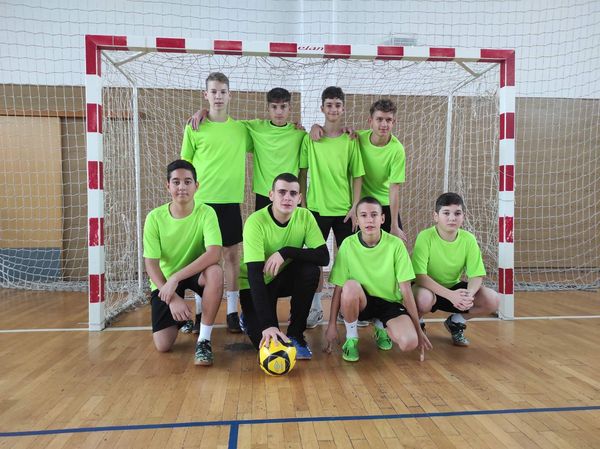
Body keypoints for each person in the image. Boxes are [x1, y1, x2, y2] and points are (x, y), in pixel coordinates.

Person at [180, 72, 253, 334]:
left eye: (223, 91)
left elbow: (270, 132)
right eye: (213, 91)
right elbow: (185, 166)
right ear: (206, 95)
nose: (218, 96)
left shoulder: (242, 129)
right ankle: (201, 312)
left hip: (230, 203)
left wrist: (298, 127)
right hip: (202, 204)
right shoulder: (194, 127)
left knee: (232, 257)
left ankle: (232, 311)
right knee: (204, 260)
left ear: (230, 95)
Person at [324, 197, 431, 362]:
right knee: (349, 286)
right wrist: (331, 325)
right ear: (357, 220)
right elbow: (338, 288)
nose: (369, 220)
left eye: (374, 215)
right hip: (363, 303)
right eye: (364, 215)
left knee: (409, 342)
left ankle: (381, 327)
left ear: (382, 218)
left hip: (389, 303)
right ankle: (351, 338)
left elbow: (406, 291)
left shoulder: (396, 245)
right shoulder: (348, 244)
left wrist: (418, 329)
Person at [238, 173, 329, 359]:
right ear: (271, 195)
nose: (287, 197)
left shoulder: (304, 216)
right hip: (256, 284)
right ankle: (249, 315)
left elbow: (323, 257)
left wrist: (286, 252)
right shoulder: (255, 222)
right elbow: (255, 276)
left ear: (299, 198)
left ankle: (296, 334)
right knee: (270, 346)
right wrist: (268, 324)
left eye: (293, 193)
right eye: (282, 192)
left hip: (282, 277)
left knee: (310, 270)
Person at [143, 159, 223, 366]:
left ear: (196, 186)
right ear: (167, 185)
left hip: (195, 274)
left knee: (215, 272)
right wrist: (171, 298)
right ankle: (184, 317)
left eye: (188, 182)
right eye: (176, 182)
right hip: (166, 280)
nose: (182, 187)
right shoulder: (154, 218)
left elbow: (214, 254)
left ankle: (203, 340)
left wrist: (176, 278)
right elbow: (151, 264)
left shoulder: (207, 213)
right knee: (163, 345)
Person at [299, 86, 365, 328]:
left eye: (338, 105)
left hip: (345, 211)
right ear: (322, 108)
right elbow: (302, 171)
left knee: (348, 260)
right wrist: (303, 203)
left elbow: (357, 175)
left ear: (343, 108)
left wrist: (355, 206)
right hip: (317, 209)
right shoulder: (311, 138)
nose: (333, 109)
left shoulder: (350, 140)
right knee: (314, 262)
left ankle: (345, 310)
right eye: (329, 105)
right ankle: (316, 308)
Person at [188, 87, 306, 211]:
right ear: (267, 108)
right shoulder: (256, 127)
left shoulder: (299, 134)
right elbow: (226, 124)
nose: (279, 112)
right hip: (264, 193)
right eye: (274, 107)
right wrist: (204, 111)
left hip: (290, 194)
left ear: (290, 108)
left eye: (283, 107)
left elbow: (303, 171)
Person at [311, 99, 407, 241]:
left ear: (394, 122)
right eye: (379, 119)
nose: (384, 124)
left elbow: (394, 188)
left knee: (397, 242)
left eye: (388, 120)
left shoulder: (397, 149)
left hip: (384, 203)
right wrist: (315, 126)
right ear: (370, 121)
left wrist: (394, 225)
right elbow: (337, 134)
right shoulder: (357, 138)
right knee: (357, 246)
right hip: (360, 203)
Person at [411, 192, 500, 346]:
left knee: (492, 299)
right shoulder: (425, 237)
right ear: (436, 216)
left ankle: (455, 322)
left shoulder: (468, 239)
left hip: (453, 289)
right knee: (424, 299)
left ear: (463, 216)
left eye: (457, 213)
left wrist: (468, 296)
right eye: (446, 213)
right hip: (427, 289)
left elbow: (476, 275)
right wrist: (451, 296)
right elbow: (419, 276)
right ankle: (418, 323)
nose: (452, 218)